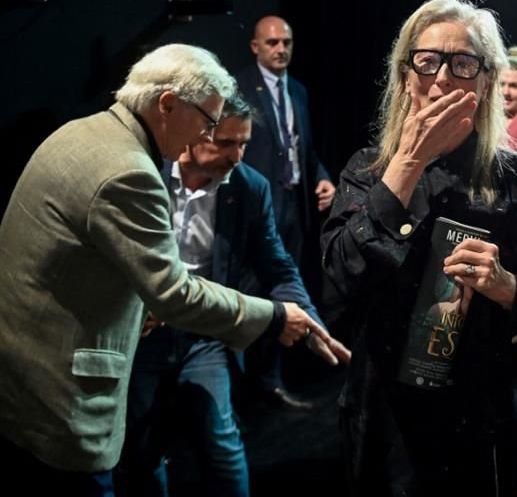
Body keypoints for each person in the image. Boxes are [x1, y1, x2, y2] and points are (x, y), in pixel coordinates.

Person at [0, 44, 329, 495]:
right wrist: (274, 316)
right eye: (209, 123)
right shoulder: (130, 172)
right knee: (134, 457)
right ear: (169, 104)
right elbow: (172, 292)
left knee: (218, 444)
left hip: (30, 377)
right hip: (68, 391)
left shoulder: (82, 132)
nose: (209, 135)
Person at [319, 0, 517, 496]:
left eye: (462, 63)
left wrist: (508, 288)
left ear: (486, 81)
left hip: (483, 419)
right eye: (427, 60)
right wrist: (408, 162)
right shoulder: (368, 169)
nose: (442, 78)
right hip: (385, 419)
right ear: (405, 74)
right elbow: (336, 282)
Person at [122, 95, 350, 496]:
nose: (237, 155)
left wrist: (307, 317)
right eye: (227, 143)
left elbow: (276, 264)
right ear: (197, 134)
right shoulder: (145, 173)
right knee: (141, 449)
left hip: (204, 333)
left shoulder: (248, 187)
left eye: (243, 143)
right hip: (143, 335)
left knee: (222, 445)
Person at [235, 16, 336, 267]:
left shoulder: (298, 91)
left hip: (296, 204)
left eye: (286, 42)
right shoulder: (239, 88)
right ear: (255, 46)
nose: (281, 49)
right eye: (272, 43)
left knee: (291, 277)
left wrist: (321, 177)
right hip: (258, 203)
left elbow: (305, 148)